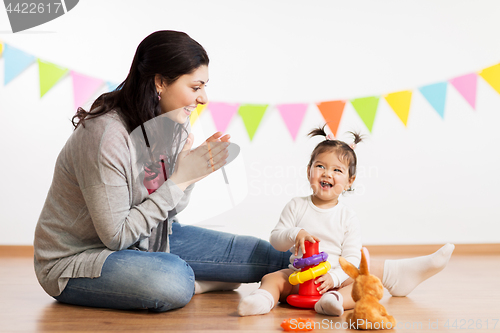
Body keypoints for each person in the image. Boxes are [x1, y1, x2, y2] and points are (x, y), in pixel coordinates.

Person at [33, 30, 291, 312]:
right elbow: (116, 237)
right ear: (160, 82)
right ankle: (199, 278)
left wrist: (190, 175)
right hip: (79, 258)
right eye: (195, 87)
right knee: (173, 279)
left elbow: (169, 211)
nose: (203, 97)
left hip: (150, 239)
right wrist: (179, 180)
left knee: (273, 257)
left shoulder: (173, 123)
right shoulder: (105, 135)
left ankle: (330, 278)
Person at [238, 126, 455, 316]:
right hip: (297, 278)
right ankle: (262, 301)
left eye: (337, 170)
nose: (327, 174)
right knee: (273, 278)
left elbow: (351, 259)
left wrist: (333, 278)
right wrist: (295, 233)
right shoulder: (296, 205)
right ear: (308, 171)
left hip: (333, 282)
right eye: (320, 166)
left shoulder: (347, 217)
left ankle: (334, 302)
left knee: (361, 284)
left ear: (350, 181)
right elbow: (276, 239)